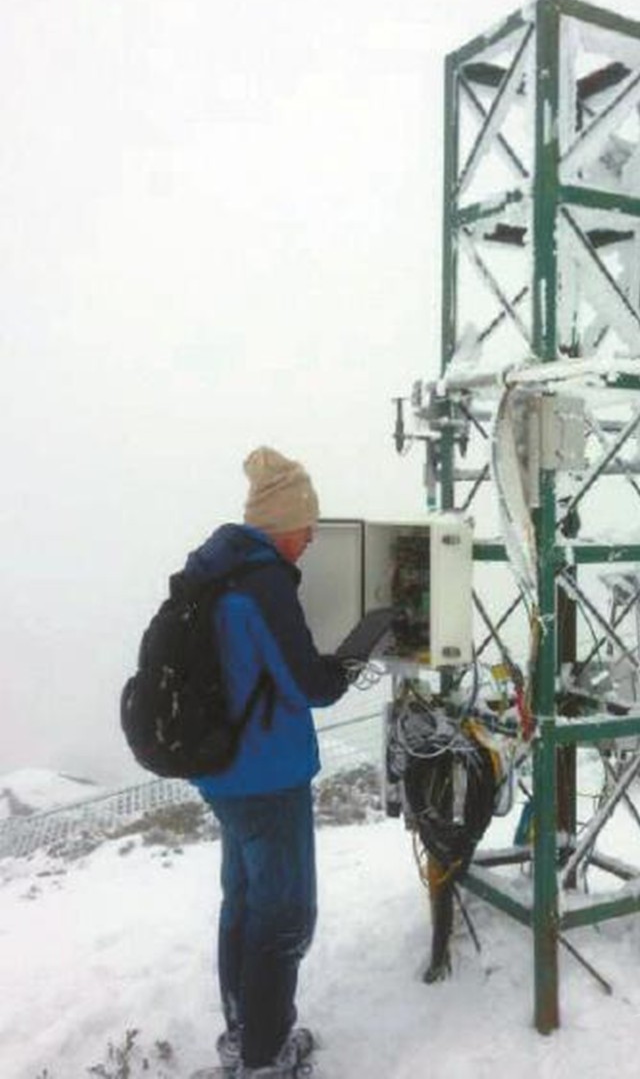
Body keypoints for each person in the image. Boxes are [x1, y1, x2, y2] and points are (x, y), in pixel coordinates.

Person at [186, 446, 351, 1079]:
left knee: (244, 904)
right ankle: (265, 1058)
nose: (311, 538)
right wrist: (349, 660)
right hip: (269, 776)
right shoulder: (266, 583)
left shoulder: (219, 571)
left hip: (224, 771)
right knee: (284, 919)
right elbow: (310, 685)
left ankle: (245, 1035)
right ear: (284, 522)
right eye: (307, 525)